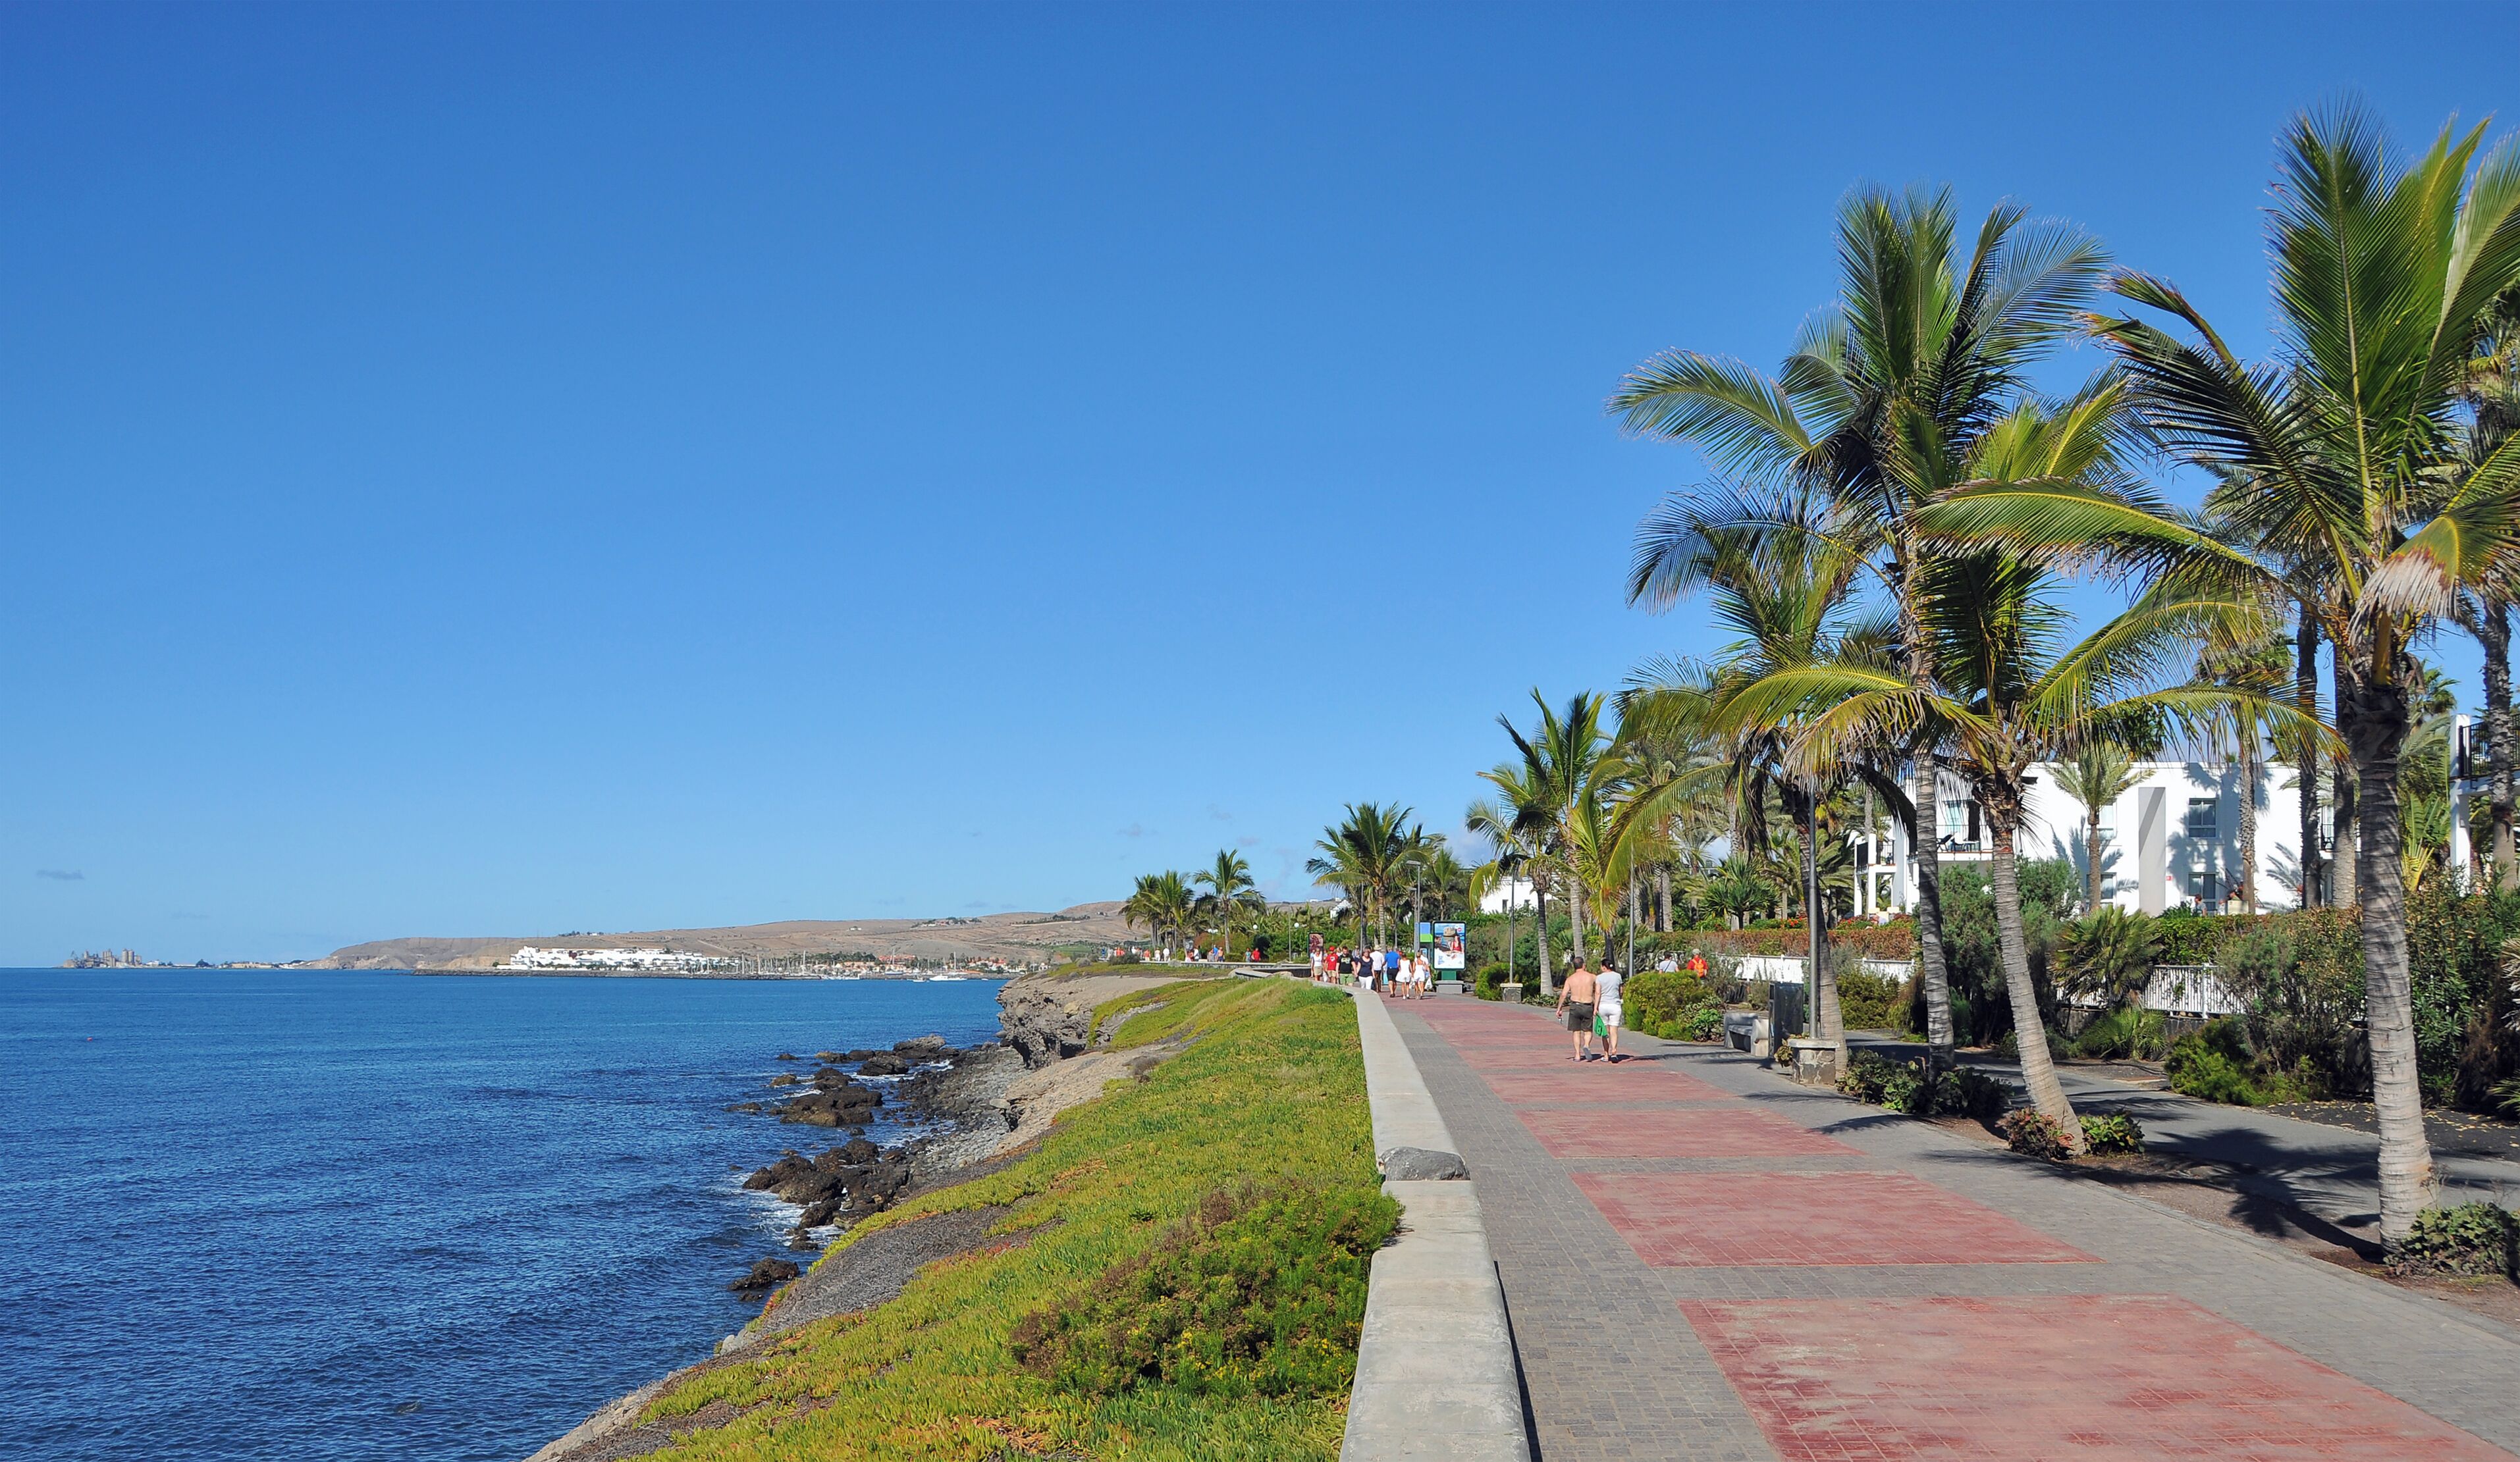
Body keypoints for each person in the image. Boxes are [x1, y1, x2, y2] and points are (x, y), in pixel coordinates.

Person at [1557, 955, 1599, 1061]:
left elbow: (1563, 994)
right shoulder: (1592, 977)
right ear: (1584, 965)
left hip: (1575, 1006)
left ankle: (1577, 1055)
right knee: (1588, 1031)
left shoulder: (1570, 979)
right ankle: (1587, 1046)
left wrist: (1559, 1008)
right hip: (1587, 1005)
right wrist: (1597, 1006)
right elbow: (1598, 990)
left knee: (1576, 1031)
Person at [1595, 958, 1626, 1062]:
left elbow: (1598, 993)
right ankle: (1614, 1051)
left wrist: (1595, 1007)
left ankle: (1606, 1054)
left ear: (1604, 967)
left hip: (1603, 1006)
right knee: (1614, 1031)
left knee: (1605, 1032)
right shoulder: (1618, 976)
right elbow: (1621, 990)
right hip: (1615, 1006)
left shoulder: (1599, 978)